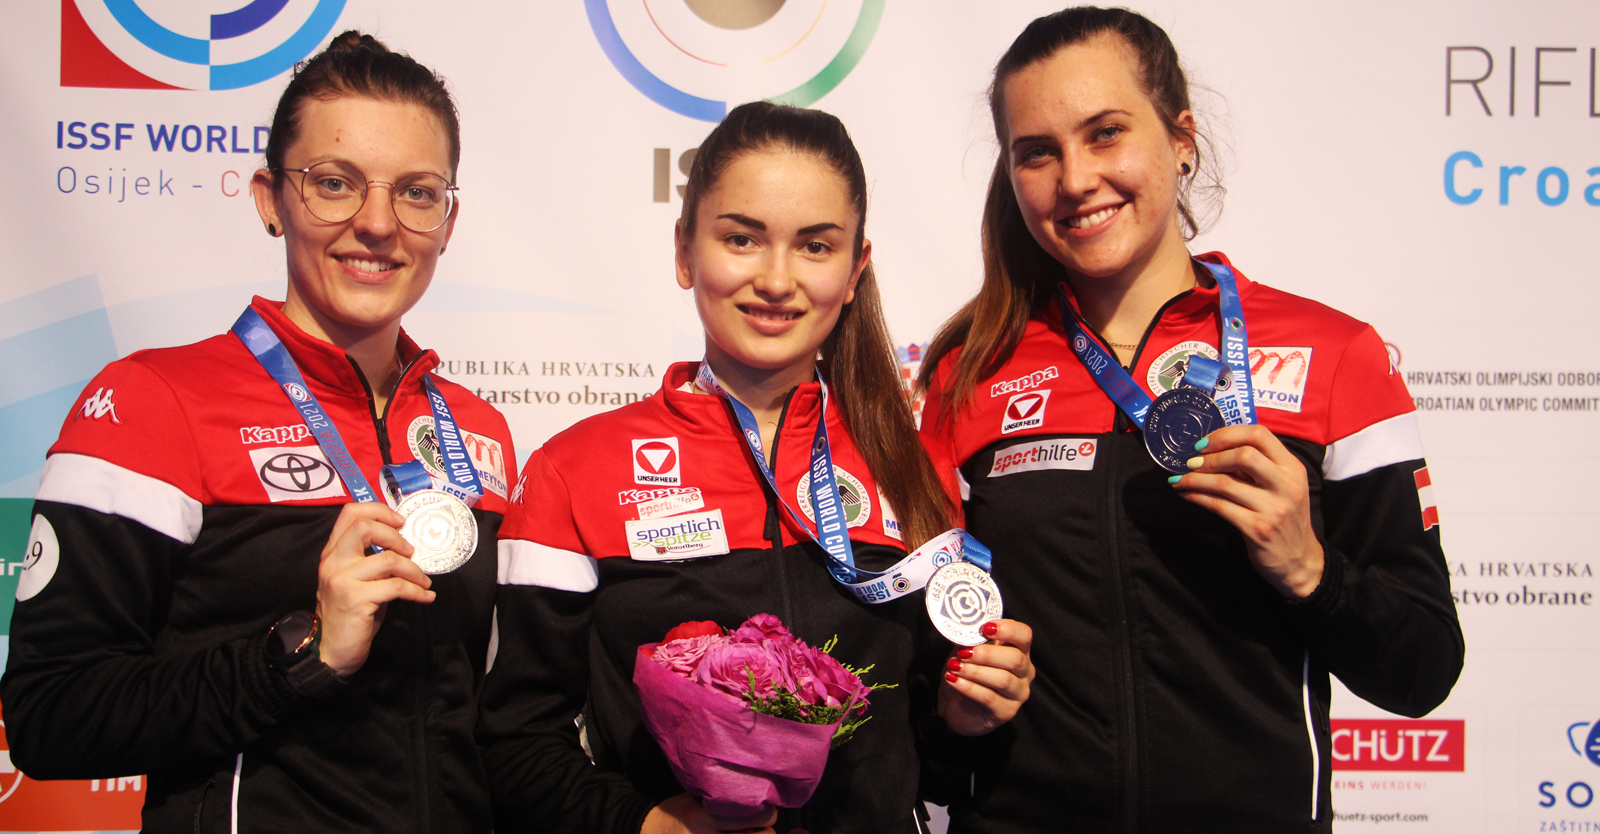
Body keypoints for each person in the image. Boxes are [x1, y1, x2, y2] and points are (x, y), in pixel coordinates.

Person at [915, 7, 1463, 832]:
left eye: (1105, 133)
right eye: (1038, 153)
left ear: (1181, 137)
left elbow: (1421, 669)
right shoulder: (969, 375)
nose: (1074, 180)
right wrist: (957, 715)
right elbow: (923, 700)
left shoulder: (1334, 356)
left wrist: (1311, 570)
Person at [1, 32, 514, 832]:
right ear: (272, 200)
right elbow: (51, 716)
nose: (377, 224)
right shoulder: (155, 401)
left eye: (416, 192)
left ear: (448, 220)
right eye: (335, 183)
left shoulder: (478, 432)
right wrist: (301, 654)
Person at [478, 101, 1034, 834]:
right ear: (685, 250)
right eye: (742, 238)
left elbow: (922, 759)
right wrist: (644, 826)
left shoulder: (912, 464)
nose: (777, 279)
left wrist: (964, 718)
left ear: (855, 266)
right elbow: (515, 743)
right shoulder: (575, 470)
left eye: (814, 246)